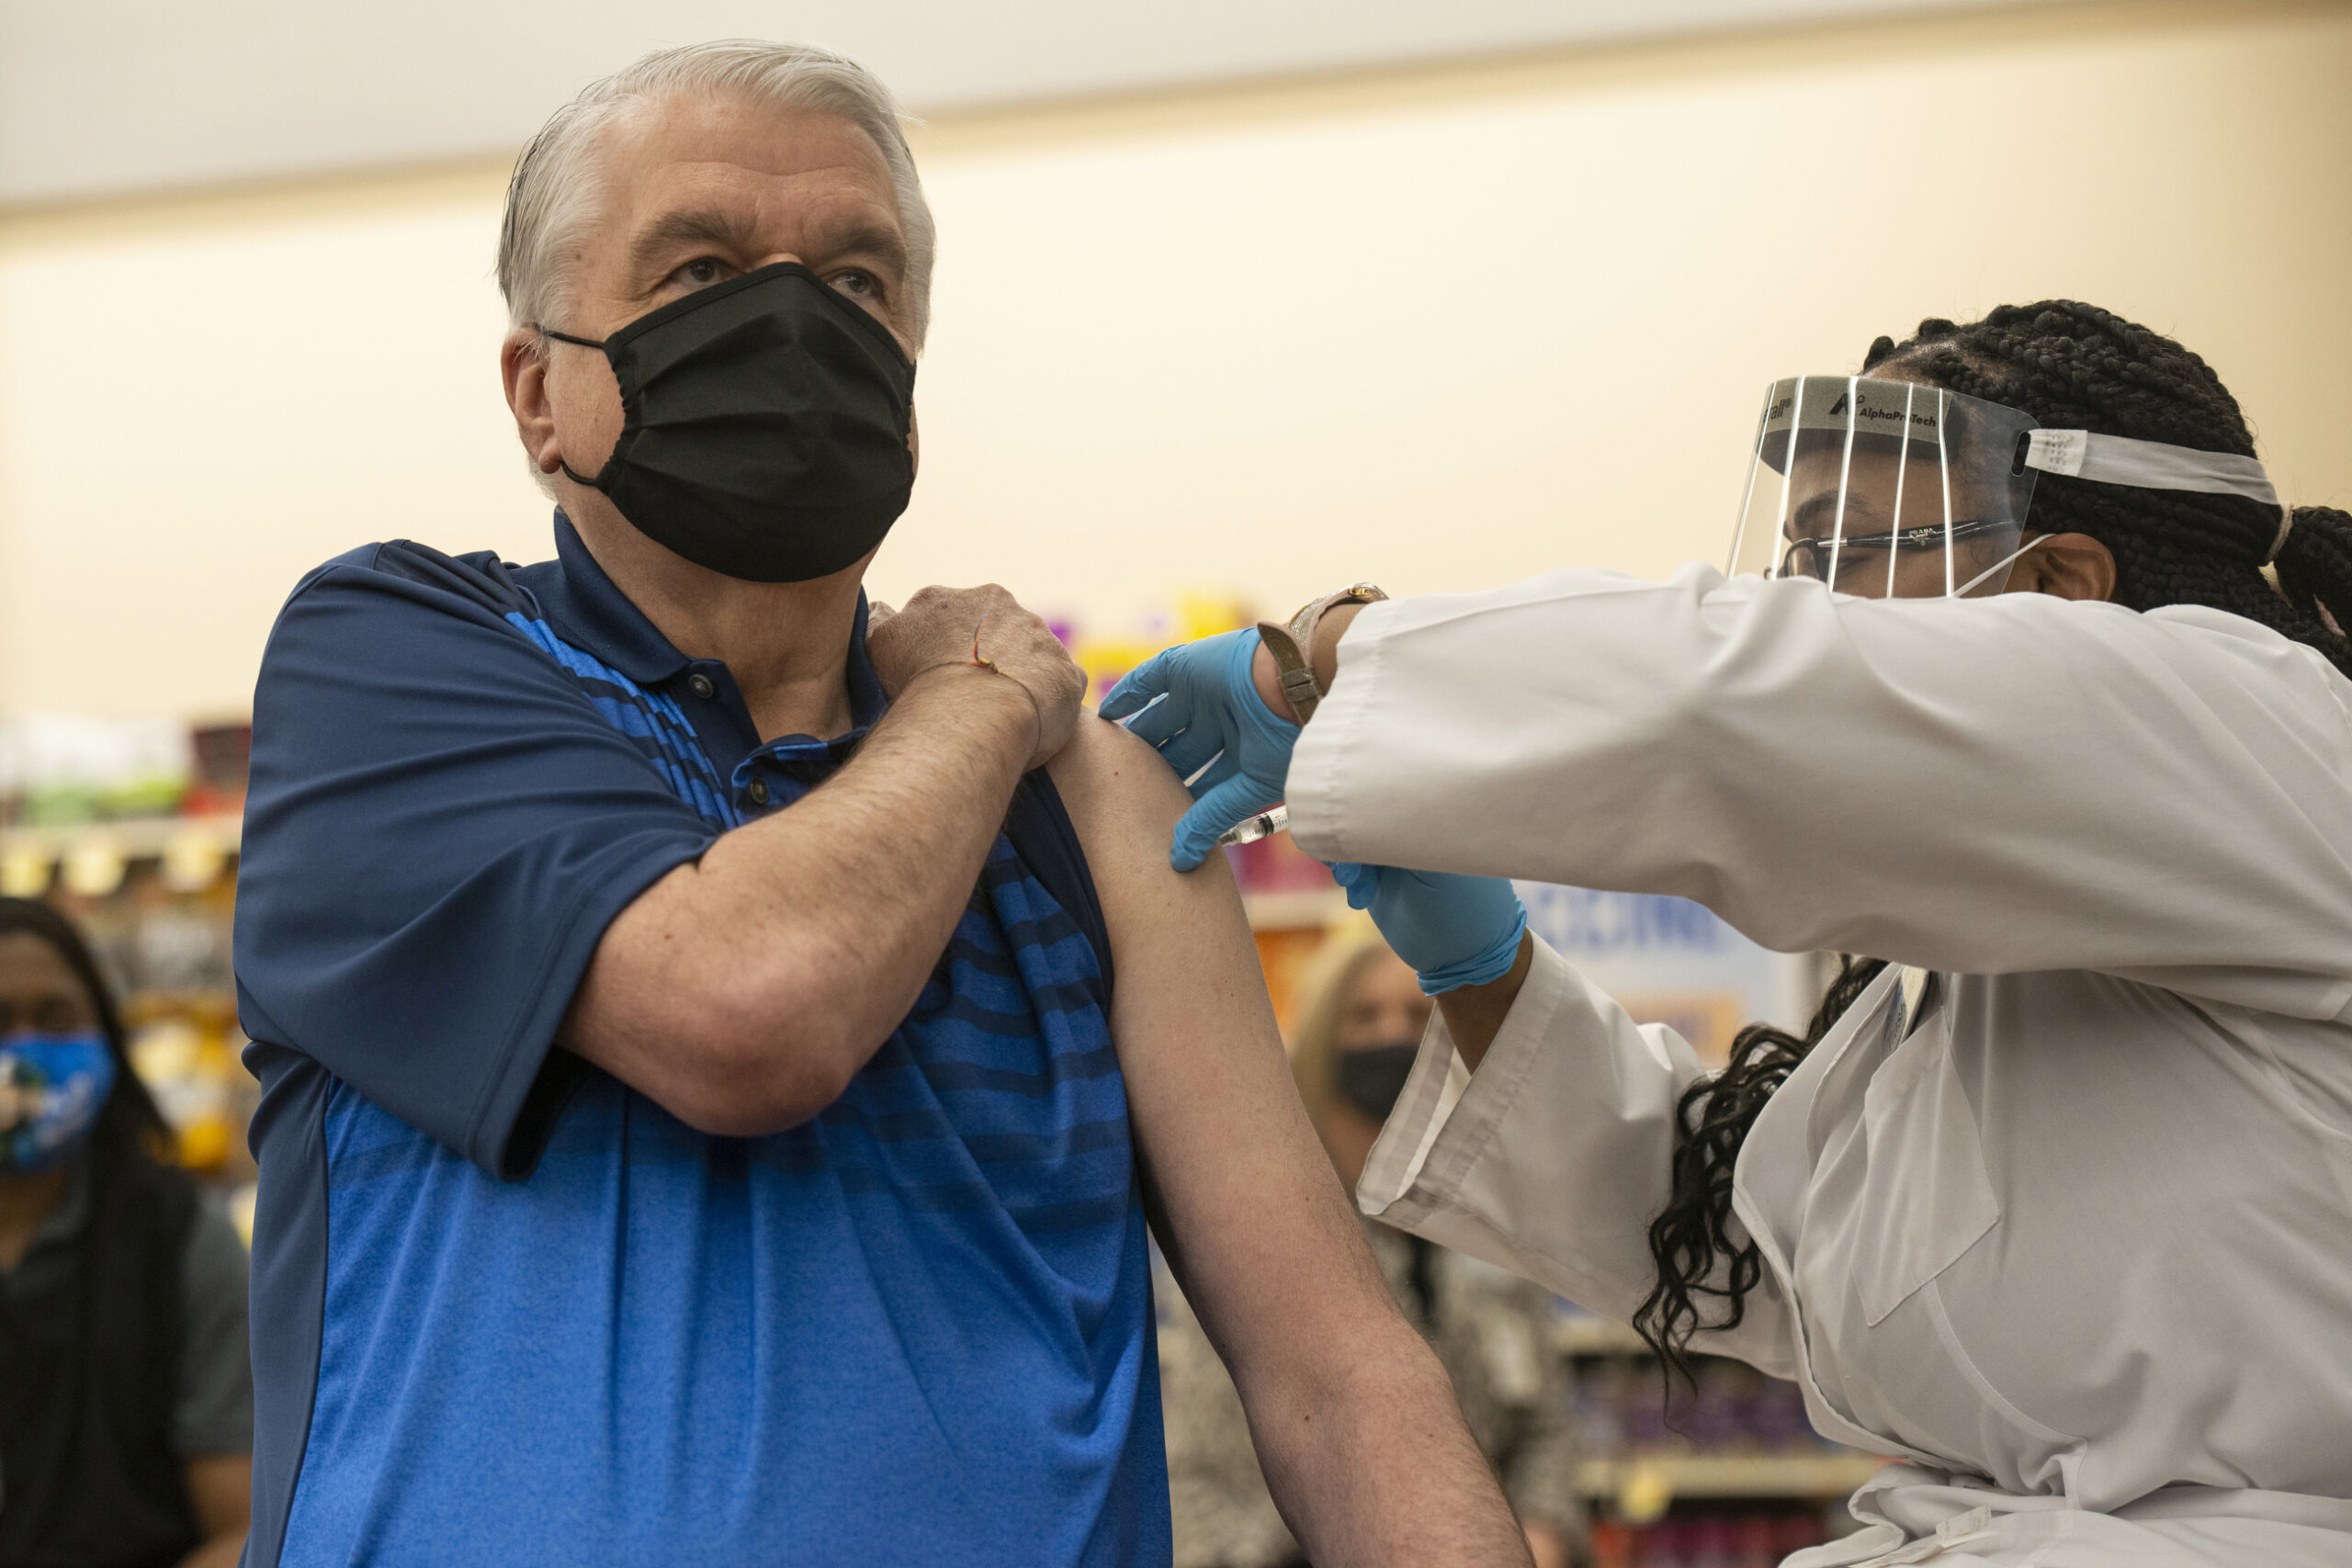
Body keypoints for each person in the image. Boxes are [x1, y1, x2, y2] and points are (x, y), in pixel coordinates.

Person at [231, 39, 1528, 1568]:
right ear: (538, 392)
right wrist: (979, 697)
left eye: (857, 283)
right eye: (699, 267)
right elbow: (749, 1006)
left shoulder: (1086, 797)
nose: (790, 329)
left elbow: (1336, 1371)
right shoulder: (396, 655)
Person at [1105, 301, 2352, 1565]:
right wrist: (1485, 975)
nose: (1804, 603)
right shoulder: (1979, 993)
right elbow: (1742, 1248)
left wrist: (1320, 660)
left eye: (1850, 549)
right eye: (1795, 558)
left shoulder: (2262, 721)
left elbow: (1751, 697)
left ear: (2058, 583)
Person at [1159, 925, 1585, 1568]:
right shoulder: (1258, 1233)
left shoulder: (1490, 1227)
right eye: (1364, 1015)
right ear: (1325, 1036)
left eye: (1417, 1015)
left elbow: (1542, 1428)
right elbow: (1189, 1468)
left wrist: (1540, 1536)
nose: (1394, 1036)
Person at [0, 897, 252, 1568]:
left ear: (106, 1033)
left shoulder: (183, 1240)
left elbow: (244, 1531)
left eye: (55, 1019)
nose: (24, 1052)